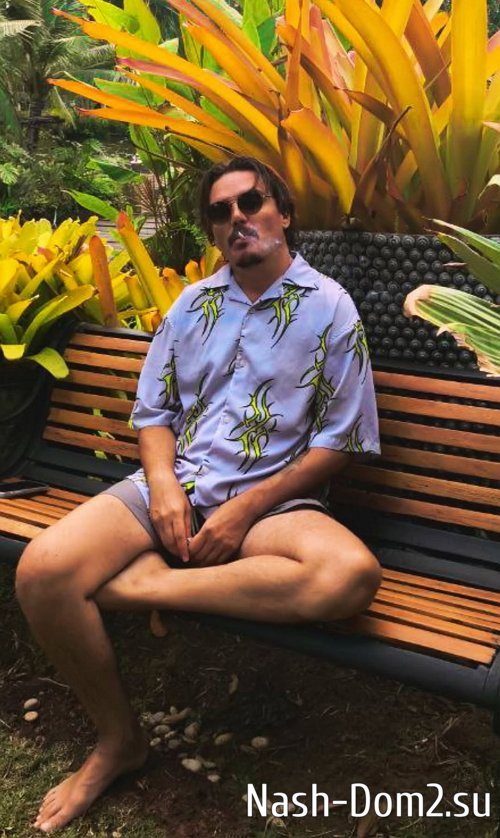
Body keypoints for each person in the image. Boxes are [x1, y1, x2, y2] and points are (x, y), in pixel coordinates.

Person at [16, 156, 382, 834]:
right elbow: (154, 413)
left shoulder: (330, 308)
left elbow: (342, 441)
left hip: (271, 502)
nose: (238, 217)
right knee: (41, 571)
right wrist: (162, 488)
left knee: (349, 575)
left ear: (283, 213)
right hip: (178, 486)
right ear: (213, 230)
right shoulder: (192, 306)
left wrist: (244, 508)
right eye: (221, 211)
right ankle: (119, 740)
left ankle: (148, 588)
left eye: (251, 202)